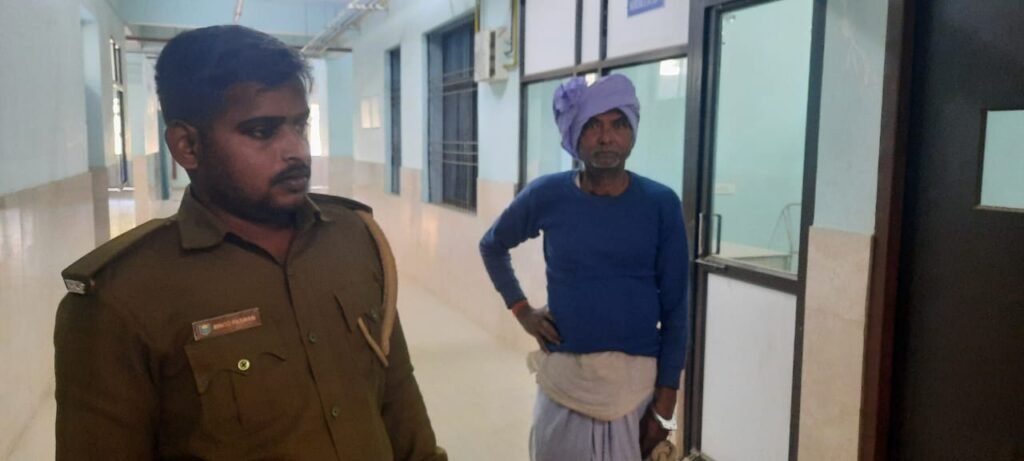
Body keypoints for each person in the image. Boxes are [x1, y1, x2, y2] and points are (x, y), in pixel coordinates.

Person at [54, 25, 446, 461]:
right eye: (262, 131)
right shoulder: (121, 300)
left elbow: (398, 397)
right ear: (187, 146)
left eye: (300, 124)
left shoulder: (354, 238)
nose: (296, 150)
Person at [479, 74, 689, 461]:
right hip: (565, 386)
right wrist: (522, 310)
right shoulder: (547, 194)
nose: (606, 138)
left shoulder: (660, 204)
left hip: (636, 389)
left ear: (633, 132)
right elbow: (492, 245)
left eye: (618, 124)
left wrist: (665, 407)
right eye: (593, 125)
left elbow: (677, 309)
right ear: (574, 135)